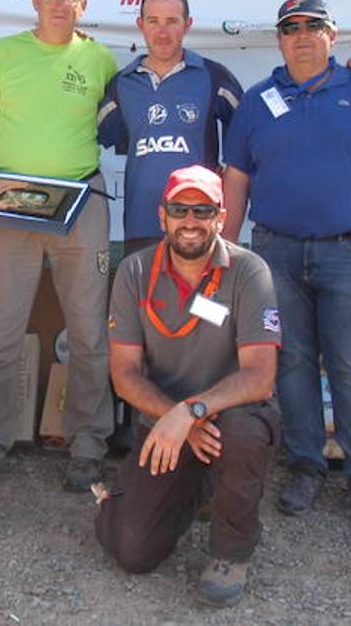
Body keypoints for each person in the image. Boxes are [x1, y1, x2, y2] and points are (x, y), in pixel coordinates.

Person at [221, 0, 351, 527]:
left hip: (348, 252)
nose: (303, 35)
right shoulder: (258, 100)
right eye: (291, 27)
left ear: (333, 36)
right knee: (289, 364)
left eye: (315, 25)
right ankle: (306, 465)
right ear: (280, 39)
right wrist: (223, 247)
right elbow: (236, 179)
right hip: (276, 253)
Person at [0, 0, 120, 492]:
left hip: (81, 202)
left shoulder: (100, 60)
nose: (58, 3)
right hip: (11, 205)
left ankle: (88, 444)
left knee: (89, 334)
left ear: (83, 5)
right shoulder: (5, 54)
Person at [96, 166, 280, 608]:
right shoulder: (135, 271)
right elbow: (124, 373)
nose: (190, 221)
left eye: (203, 210)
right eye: (180, 209)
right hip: (167, 425)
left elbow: (260, 375)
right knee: (132, 552)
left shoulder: (249, 271)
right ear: (162, 216)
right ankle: (176, 489)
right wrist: (174, 417)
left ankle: (231, 552)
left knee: (241, 434)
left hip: (229, 417)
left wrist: (192, 412)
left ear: (221, 217)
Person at [97, 0, 243, 254]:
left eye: (172, 21)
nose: (162, 32)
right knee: (147, 298)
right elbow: (97, 137)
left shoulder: (214, 77)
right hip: (141, 227)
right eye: (153, 21)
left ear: (187, 24)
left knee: (201, 299)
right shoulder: (121, 85)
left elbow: (248, 143)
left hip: (197, 226)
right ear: (140, 23)